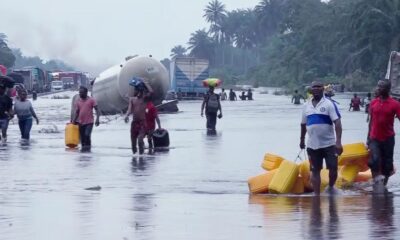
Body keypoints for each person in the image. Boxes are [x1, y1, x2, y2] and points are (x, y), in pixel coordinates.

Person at [300, 81, 343, 195]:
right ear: (311, 89)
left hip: (329, 144)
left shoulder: (329, 104)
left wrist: (338, 142)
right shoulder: (306, 106)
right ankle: (317, 195)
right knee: (315, 170)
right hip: (312, 145)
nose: (316, 89)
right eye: (314, 87)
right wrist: (301, 140)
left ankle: (331, 187)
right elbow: (303, 124)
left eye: (318, 87)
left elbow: (337, 123)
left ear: (323, 89)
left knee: (333, 169)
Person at [367, 80, 400, 189]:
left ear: (388, 89)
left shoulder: (395, 104)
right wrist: (368, 138)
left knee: (387, 164)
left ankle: (383, 184)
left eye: (382, 87)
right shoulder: (373, 103)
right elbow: (371, 121)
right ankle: (376, 182)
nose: (379, 88)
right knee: (374, 160)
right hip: (374, 138)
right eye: (379, 86)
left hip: (388, 138)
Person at [125, 78, 153, 154]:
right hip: (134, 123)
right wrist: (126, 115)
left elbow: (151, 92)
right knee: (133, 144)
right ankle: (135, 158)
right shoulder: (132, 99)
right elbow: (130, 109)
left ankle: (141, 156)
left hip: (142, 123)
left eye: (137, 90)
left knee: (140, 140)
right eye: (135, 90)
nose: (136, 92)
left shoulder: (144, 99)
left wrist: (145, 83)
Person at [73, 86, 100, 152]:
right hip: (80, 122)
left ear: (86, 93)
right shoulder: (78, 101)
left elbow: (97, 110)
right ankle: (84, 152)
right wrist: (73, 121)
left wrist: (97, 119)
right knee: (82, 138)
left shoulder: (91, 100)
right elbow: (77, 112)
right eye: (79, 93)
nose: (80, 94)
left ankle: (88, 149)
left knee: (87, 135)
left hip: (89, 122)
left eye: (81, 93)